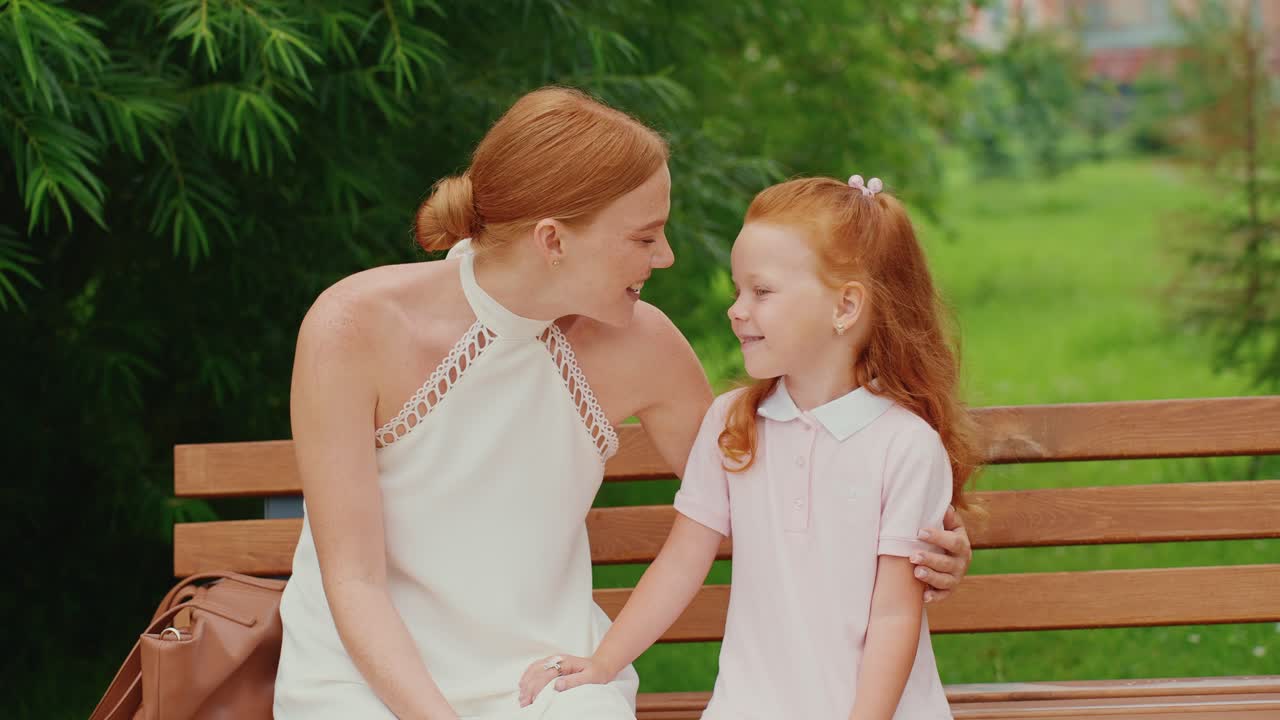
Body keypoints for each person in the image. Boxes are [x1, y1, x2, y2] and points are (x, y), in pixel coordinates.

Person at [274, 86, 973, 720]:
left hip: (544, 683)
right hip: (365, 682)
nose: (665, 256)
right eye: (644, 236)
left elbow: (769, 483)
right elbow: (354, 579)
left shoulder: (644, 347)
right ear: (553, 240)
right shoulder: (354, 328)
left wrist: (922, 543)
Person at [519, 174, 981, 720]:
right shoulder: (733, 424)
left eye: (761, 292)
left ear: (845, 307)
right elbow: (680, 564)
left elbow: (894, 618)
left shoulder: (905, 447)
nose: (737, 310)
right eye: (738, 291)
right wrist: (601, 663)